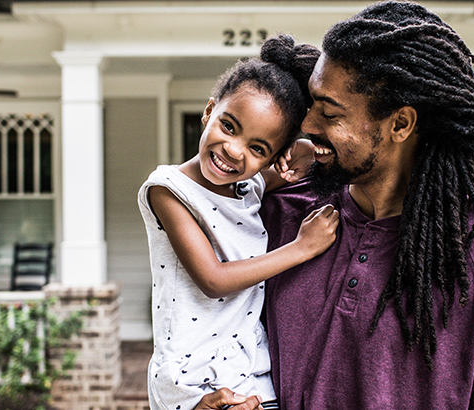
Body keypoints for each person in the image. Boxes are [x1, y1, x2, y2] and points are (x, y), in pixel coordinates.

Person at [195, 1, 474, 409]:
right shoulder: (278, 215)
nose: (307, 126)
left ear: (400, 124)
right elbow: (202, 339)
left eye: (329, 113)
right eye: (312, 106)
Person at [138, 35, 339, 410]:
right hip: (192, 377)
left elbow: (309, 156)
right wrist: (302, 248)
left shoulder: (249, 186)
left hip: (252, 370)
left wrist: (300, 149)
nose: (234, 149)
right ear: (209, 110)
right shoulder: (169, 189)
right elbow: (214, 280)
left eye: (257, 148)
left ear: (271, 158)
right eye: (229, 126)